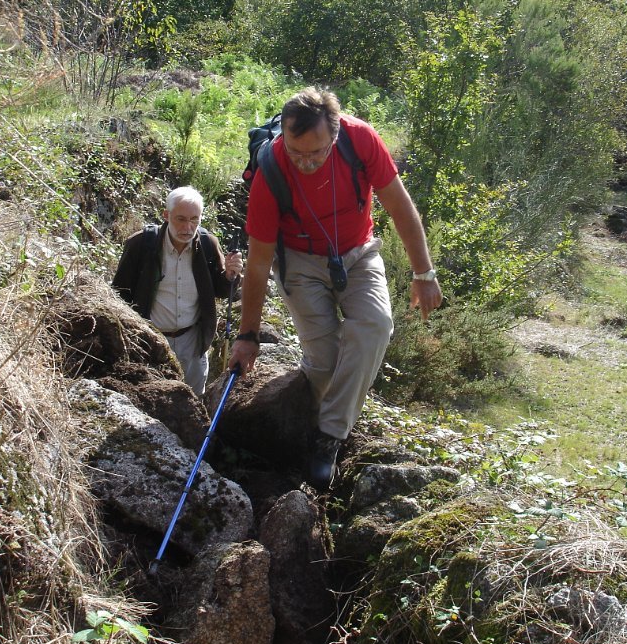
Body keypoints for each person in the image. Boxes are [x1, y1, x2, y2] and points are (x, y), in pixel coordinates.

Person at [229, 87, 442, 490]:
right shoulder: (271, 168)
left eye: (317, 152)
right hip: (299, 261)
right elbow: (257, 264)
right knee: (324, 362)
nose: (306, 163)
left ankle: (328, 436)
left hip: (358, 252)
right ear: (284, 137)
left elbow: (400, 206)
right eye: (297, 152)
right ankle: (302, 415)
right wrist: (248, 335)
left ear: (336, 134)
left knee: (375, 325)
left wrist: (424, 273)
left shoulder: (360, 141)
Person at [113, 186, 243, 395]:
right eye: (181, 219)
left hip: (192, 342)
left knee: (194, 400)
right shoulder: (141, 244)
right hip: (150, 341)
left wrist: (230, 275)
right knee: (151, 397)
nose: (188, 227)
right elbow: (119, 293)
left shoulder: (207, 244)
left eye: (194, 220)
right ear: (166, 215)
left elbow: (221, 290)